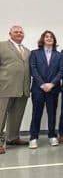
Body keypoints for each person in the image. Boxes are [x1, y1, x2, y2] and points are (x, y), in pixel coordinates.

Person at [29, 30, 63, 149]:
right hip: (38, 89)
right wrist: (43, 84)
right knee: (36, 113)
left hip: (53, 89)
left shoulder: (59, 55)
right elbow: (33, 69)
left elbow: (61, 71)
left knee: (52, 113)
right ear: (43, 39)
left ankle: (52, 136)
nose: (49, 38)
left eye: (51, 37)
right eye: (46, 36)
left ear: (54, 40)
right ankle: (33, 137)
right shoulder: (35, 53)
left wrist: (52, 84)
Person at [0, 26, 31, 154]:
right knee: (1, 116)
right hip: (5, 87)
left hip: (23, 88)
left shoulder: (27, 51)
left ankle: (13, 137)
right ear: (10, 34)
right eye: (16, 32)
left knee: (17, 115)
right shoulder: (2, 46)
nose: (19, 33)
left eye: (21, 32)